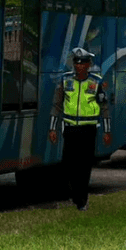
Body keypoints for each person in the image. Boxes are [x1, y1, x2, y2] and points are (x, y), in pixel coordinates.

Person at [49, 48, 112, 211]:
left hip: (88, 130)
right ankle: (75, 193)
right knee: (68, 165)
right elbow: (56, 105)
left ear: (88, 65)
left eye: (83, 63)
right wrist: (52, 128)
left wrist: (107, 131)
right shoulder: (65, 81)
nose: (79, 67)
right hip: (70, 129)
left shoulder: (96, 82)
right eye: (76, 63)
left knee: (84, 166)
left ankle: (81, 199)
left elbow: (104, 107)